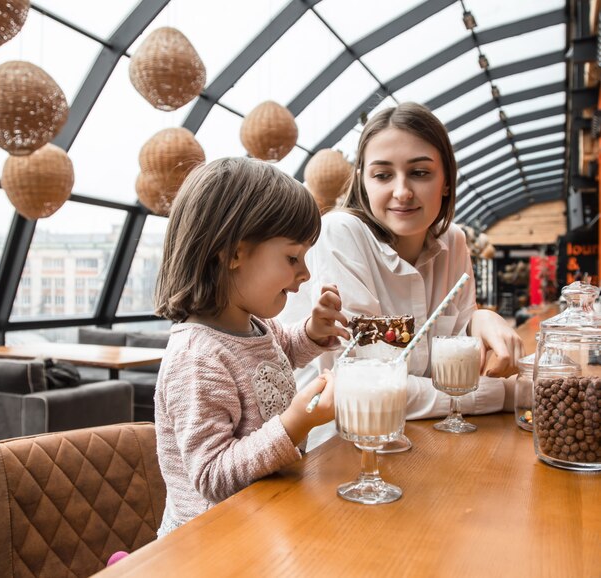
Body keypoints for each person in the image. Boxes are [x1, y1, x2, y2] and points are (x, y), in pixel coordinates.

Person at [281, 102, 525, 449]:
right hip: (332, 453)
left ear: (445, 182)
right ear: (363, 182)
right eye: (382, 175)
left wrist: (479, 320)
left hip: (422, 441)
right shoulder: (339, 234)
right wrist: (507, 394)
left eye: (420, 173)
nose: (402, 191)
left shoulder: (453, 242)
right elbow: (368, 383)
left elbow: (463, 363)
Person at [153, 157, 350, 536]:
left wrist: (312, 331)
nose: (305, 273)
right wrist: (296, 421)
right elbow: (212, 477)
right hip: (212, 543)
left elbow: (280, 352)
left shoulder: (253, 325)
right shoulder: (197, 358)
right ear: (233, 253)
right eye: (293, 257)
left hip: (263, 521)